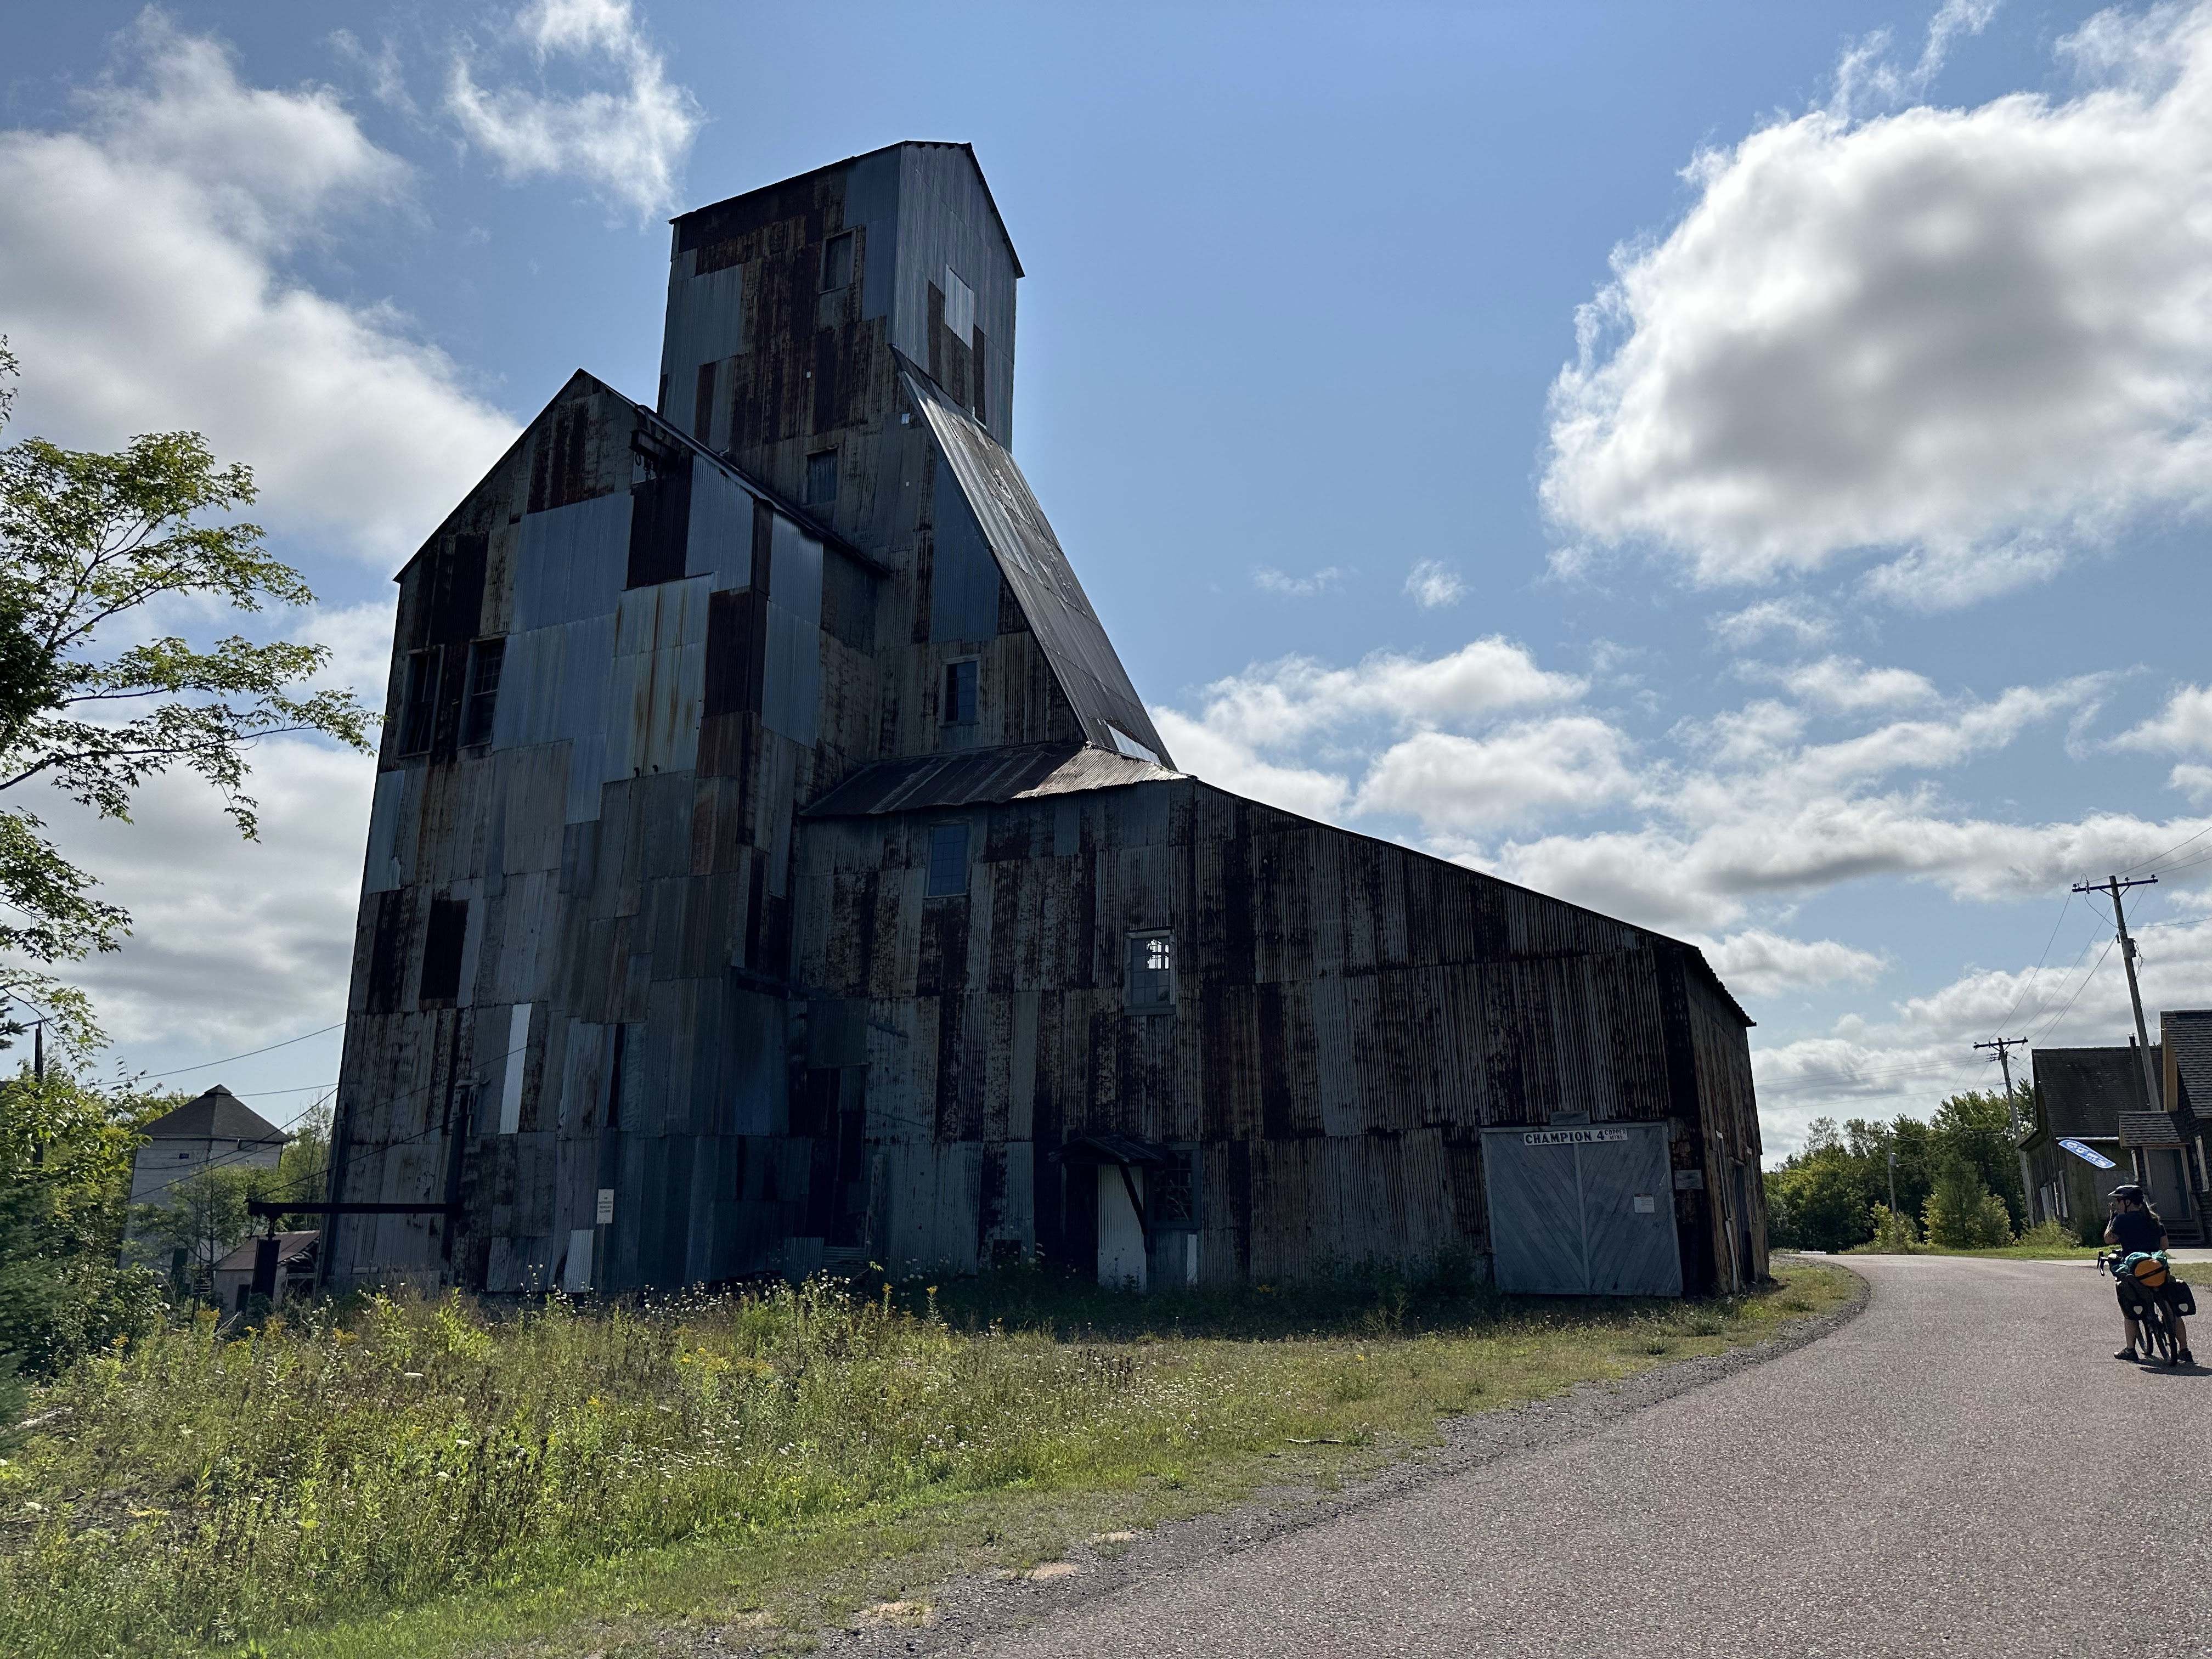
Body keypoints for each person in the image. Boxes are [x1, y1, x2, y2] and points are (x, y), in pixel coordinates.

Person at [2106, 1183, 2192, 1364]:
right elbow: (2164, 1245)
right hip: (2158, 1269)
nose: (2118, 1204)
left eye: (2119, 1200)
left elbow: (2108, 1239)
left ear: (2128, 1202)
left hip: (2136, 1271)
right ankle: (2184, 1350)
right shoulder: (2154, 1220)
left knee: (2129, 1307)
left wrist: (2112, 1218)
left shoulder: (2121, 1220)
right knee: (2172, 1309)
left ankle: (2130, 1350)